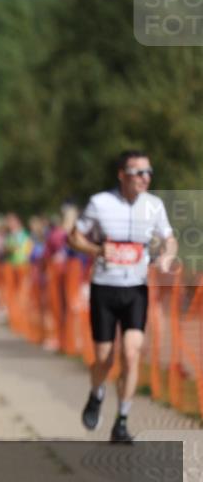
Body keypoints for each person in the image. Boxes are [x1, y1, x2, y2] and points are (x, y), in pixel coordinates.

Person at [68, 150, 177, 444]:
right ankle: (96, 392)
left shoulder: (154, 205)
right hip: (104, 287)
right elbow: (73, 237)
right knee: (104, 359)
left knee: (131, 354)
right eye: (138, 172)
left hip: (136, 290)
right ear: (122, 175)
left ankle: (122, 421)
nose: (145, 177)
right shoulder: (100, 203)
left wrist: (167, 257)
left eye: (148, 172)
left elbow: (169, 239)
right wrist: (96, 250)